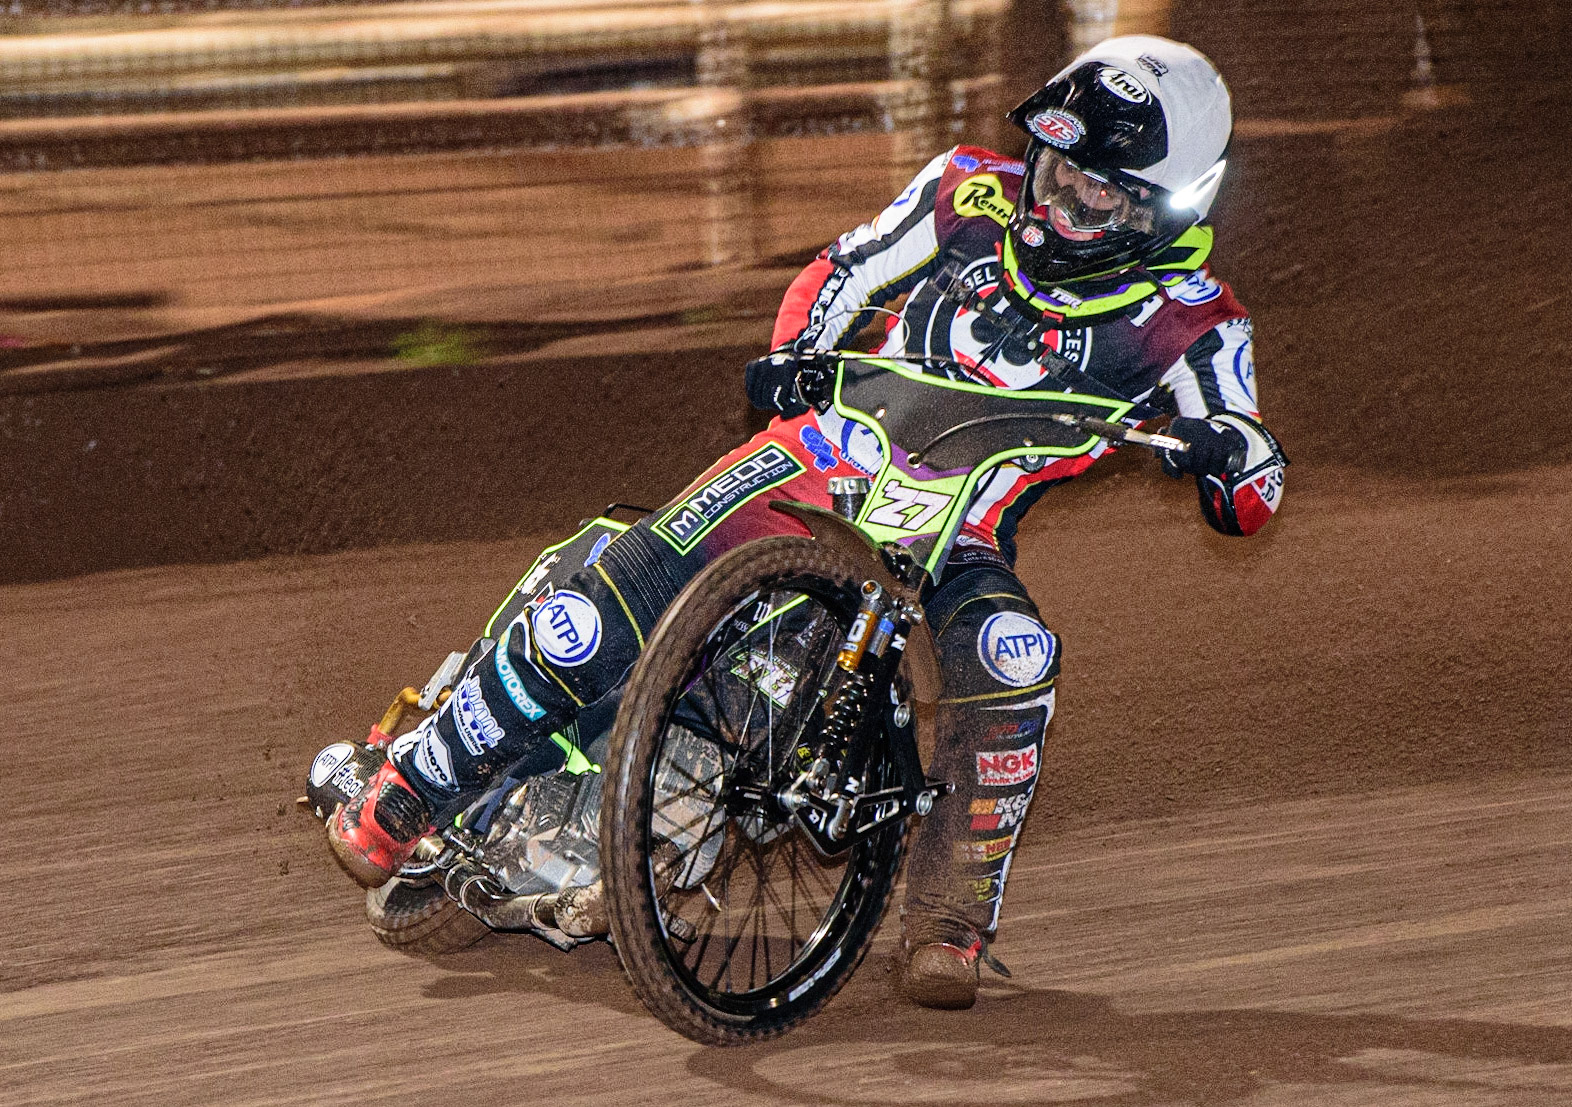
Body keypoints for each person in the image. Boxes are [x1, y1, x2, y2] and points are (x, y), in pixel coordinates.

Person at [325, 34, 1287, 1010]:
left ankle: (949, 916)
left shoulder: (1195, 324)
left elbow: (1258, 481)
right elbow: (843, 270)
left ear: (1166, 204)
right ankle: (409, 790)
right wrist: (799, 355)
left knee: (1013, 655)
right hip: (822, 456)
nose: (1053, 200)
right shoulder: (966, 190)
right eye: (1051, 168)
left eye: (1091, 191)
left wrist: (1226, 456)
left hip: (954, 537)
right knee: (604, 605)